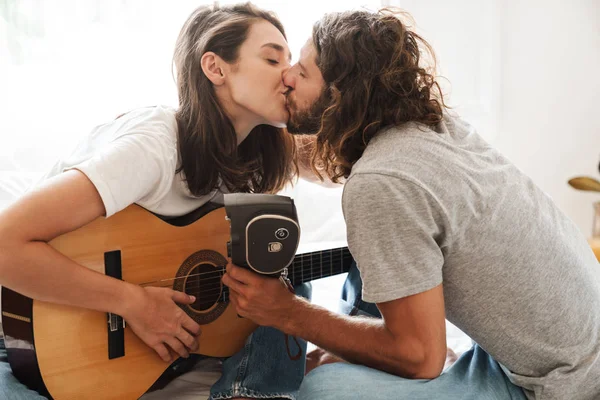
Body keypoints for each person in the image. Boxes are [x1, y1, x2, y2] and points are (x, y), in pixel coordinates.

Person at [222, 8, 600, 400]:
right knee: (363, 292)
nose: (287, 76)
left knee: (324, 389)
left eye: (302, 71)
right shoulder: (432, 129)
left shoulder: (381, 181)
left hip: (563, 384)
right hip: (561, 348)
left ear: (339, 96)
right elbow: (319, 161)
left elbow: (420, 358)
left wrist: (289, 312)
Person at [0, 3, 312, 400]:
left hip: (129, 357)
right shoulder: (155, 146)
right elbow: (4, 245)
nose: (288, 75)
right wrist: (133, 303)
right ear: (215, 68)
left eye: (291, 62)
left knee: (288, 281)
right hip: (28, 329)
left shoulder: (249, 163)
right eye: (272, 58)